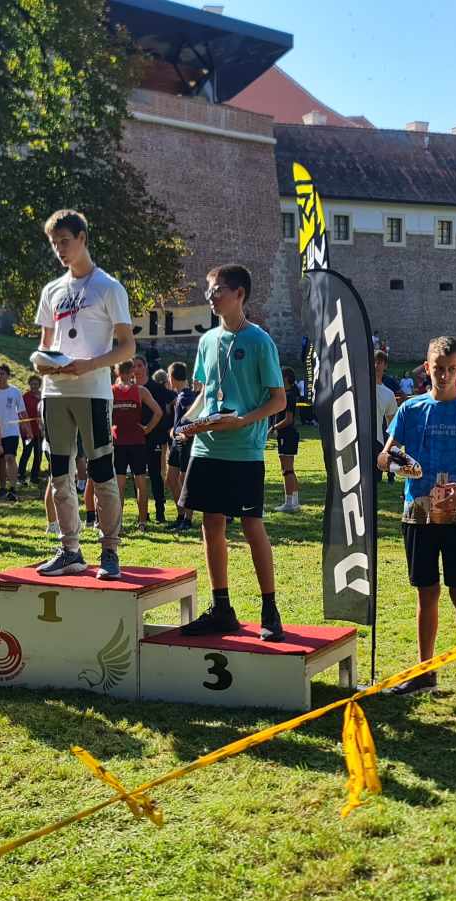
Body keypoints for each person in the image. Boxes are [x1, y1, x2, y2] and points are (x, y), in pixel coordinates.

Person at [377, 336, 456, 697]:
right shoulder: (410, 409)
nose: (444, 376)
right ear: (426, 368)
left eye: (451, 369)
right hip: (418, 515)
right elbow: (385, 457)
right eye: (438, 369)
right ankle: (425, 671)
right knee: (426, 593)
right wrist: (401, 465)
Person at [175, 264, 287, 641]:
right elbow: (205, 394)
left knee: (252, 525)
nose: (211, 296)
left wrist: (243, 421)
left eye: (217, 289)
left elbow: (279, 401)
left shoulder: (259, 341)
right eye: (209, 289)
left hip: (244, 451)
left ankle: (270, 610)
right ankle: (221, 608)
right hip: (207, 448)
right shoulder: (208, 341)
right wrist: (185, 423)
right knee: (211, 524)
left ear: (239, 294)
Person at [32, 210, 136, 579]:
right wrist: (43, 364)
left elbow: (127, 347)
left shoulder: (108, 287)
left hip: (92, 391)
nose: (59, 249)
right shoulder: (52, 290)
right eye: (54, 243)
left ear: (82, 239)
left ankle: (109, 550)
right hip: (55, 391)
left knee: (101, 470)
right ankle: (69, 550)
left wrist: (90, 365)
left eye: (65, 241)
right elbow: (45, 345)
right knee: (59, 472)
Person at [110, 359, 163, 532]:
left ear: (117, 372)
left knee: (119, 485)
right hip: (137, 442)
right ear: (131, 372)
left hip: (119, 442)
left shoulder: (111, 391)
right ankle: (142, 522)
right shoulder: (141, 390)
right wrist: (147, 429)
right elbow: (159, 412)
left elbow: (103, 415)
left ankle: (118, 524)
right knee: (140, 482)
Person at [141, 357, 175, 521]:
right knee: (139, 476)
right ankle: (143, 513)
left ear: (146, 367)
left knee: (155, 475)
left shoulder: (155, 387)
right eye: (133, 366)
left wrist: (171, 424)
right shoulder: (131, 388)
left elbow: (175, 398)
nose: (136, 369)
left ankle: (160, 512)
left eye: (140, 365)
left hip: (154, 437)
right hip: (136, 439)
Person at [164, 362, 197, 532]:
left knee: (185, 481)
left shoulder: (186, 396)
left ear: (172, 378)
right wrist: (174, 429)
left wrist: (186, 433)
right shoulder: (179, 395)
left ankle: (187, 519)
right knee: (171, 479)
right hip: (176, 443)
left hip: (185, 443)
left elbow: (195, 417)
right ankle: (181, 515)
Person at [0, 364, 25, 501]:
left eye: (2, 373)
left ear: (8, 376)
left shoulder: (15, 392)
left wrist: (28, 430)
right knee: (0, 459)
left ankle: (13, 488)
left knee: (10, 457)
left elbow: (22, 412)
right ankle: (2, 487)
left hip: (11, 431)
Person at [272, 365, 303, 513]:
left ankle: (290, 502)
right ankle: (294, 501)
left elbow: (288, 419)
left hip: (287, 434)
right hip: (287, 435)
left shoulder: (289, 396)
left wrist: (273, 427)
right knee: (288, 469)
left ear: (286, 378)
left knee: (287, 469)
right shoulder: (287, 394)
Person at [373, 350, 399, 466]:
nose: (375, 365)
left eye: (379, 362)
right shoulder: (356, 388)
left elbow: (393, 426)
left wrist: (391, 450)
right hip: (356, 442)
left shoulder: (388, 394)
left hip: (377, 443)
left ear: (385, 366)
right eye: (373, 361)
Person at [19, 374, 45, 485]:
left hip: (40, 431)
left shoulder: (43, 396)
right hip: (27, 432)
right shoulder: (25, 397)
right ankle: (21, 476)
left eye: (36, 384)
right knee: (26, 453)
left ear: (39, 385)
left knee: (38, 454)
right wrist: (25, 429)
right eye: (32, 384)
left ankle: (34, 477)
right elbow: (21, 413)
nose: (34, 386)